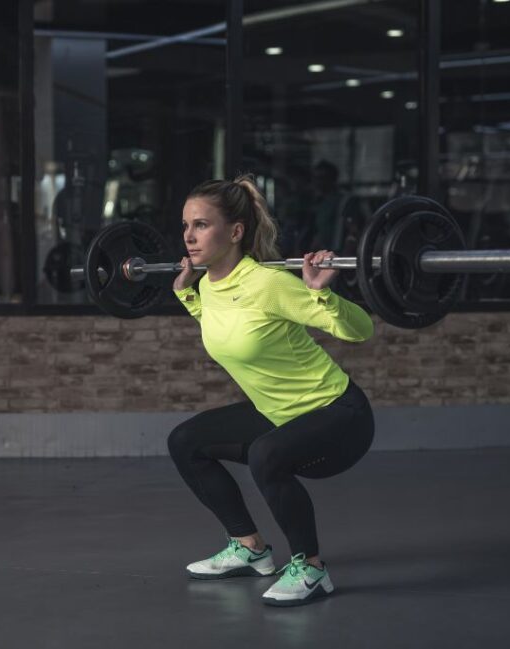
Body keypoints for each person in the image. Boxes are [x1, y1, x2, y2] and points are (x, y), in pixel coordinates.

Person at [168, 174, 375, 607]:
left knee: (266, 453)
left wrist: (322, 295)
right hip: (278, 411)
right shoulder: (208, 285)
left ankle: (312, 569)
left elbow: (360, 331)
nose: (189, 236)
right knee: (186, 441)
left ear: (236, 231)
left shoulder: (269, 284)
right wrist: (188, 297)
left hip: (338, 414)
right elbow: (227, 331)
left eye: (201, 225)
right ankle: (249, 547)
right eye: (186, 225)